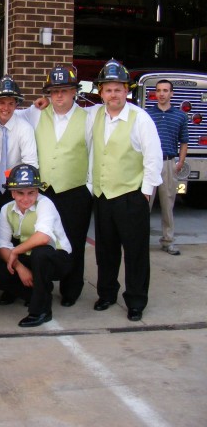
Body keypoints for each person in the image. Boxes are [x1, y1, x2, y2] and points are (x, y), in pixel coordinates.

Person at [87, 59, 162, 321]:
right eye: (108, 90)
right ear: (100, 92)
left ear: (126, 90)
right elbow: (64, 110)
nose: (113, 94)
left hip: (131, 195)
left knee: (135, 252)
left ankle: (136, 301)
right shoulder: (94, 114)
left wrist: (146, 191)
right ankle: (107, 294)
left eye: (118, 89)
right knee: (105, 250)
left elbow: (153, 157)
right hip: (103, 195)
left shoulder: (140, 118)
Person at [11, 65, 91, 307]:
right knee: (42, 240)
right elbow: (9, 114)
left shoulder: (89, 117)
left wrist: (88, 187)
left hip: (74, 190)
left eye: (65, 91)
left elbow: (94, 153)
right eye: (54, 91)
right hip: (44, 190)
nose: (59, 96)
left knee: (74, 241)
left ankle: (71, 288)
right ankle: (40, 285)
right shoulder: (36, 114)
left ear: (74, 92)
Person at [0, 164, 73, 327]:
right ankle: (34, 290)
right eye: (20, 193)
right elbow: (1, 244)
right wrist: (19, 267)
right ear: (12, 192)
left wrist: (15, 252)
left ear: (38, 191)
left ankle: (41, 311)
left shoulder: (45, 204)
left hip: (57, 258)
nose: (26, 198)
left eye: (32, 193)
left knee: (41, 253)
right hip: (29, 257)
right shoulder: (6, 210)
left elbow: (43, 237)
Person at [0, 75, 37, 228]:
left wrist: (23, 191)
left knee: (14, 226)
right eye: (1, 103)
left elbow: (30, 164)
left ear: (16, 105)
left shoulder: (25, 129)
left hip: (17, 184)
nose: (6, 108)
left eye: (10, 103)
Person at [147, 79, 188, 256]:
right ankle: (140, 242)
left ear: (171, 93)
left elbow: (184, 141)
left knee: (167, 204)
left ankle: (167, 241)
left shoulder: (180, 116)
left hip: (169, 163)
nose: (161, 94)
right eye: (158, 90)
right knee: (144, 205)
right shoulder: (147, 115)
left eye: (165, 90)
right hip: (149, 164)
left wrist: (180, 162)